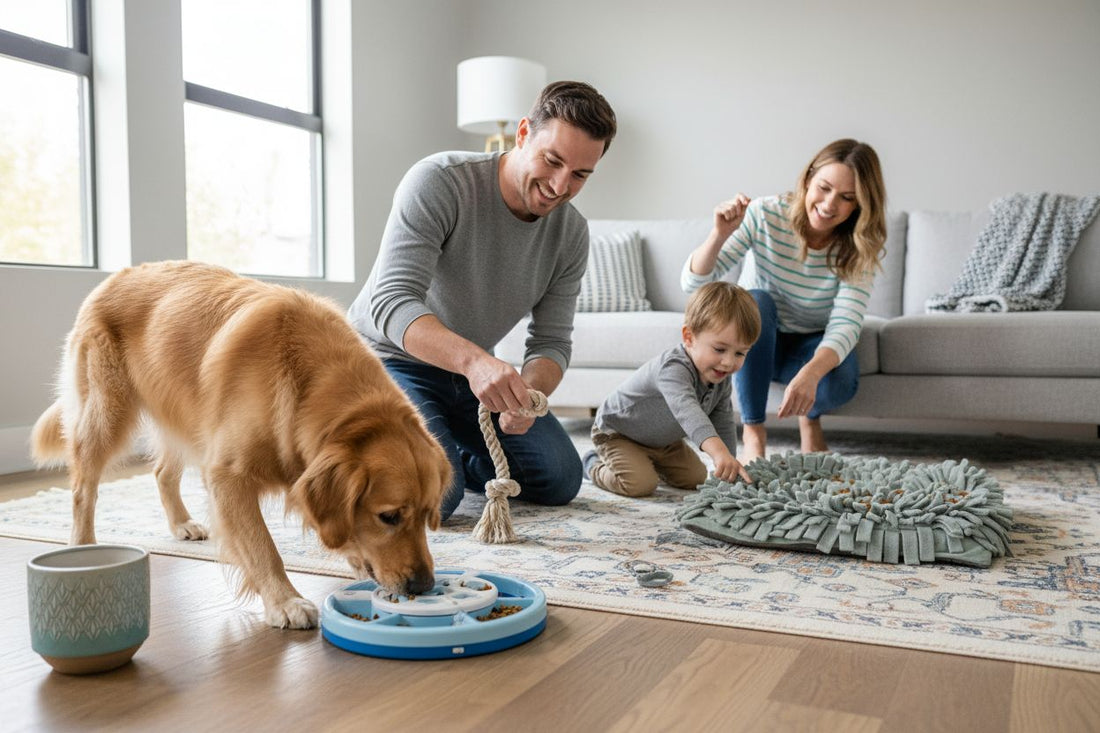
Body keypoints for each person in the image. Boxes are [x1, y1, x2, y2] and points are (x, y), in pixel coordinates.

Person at [348, 81, 617, 521]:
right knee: (440, 498)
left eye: (580, 175)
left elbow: (552, 342)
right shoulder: (439, 181)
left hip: (468, 377)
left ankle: (437, 446)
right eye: (552, 161)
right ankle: (402, 447)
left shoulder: (571, 233)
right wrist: (475, 363)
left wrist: (530, 394)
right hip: (388, 361)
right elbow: (392, 301)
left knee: (560, 479)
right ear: (524, 132)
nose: (559, 185)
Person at [682, 139, 887, 460]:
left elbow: (847, 322)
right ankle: (753, 432)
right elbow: (694, 283)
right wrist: (719, 234)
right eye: (824, 188)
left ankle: (810, 417)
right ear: (807, 180)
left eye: (847, 198)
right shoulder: (766, 214)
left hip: (810, 344)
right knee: (756, 300)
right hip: (758, 340)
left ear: (859, 206)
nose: (830, 204)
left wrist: (811, 374)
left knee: (841, 383)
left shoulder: (861, 245)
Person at [582, 282, 762, 497]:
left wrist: (728, 460)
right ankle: (591, 463)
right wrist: (718, 452)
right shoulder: (673, 368)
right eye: (720, 349)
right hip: (619, 433)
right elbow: (689, 413)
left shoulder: (720, 377)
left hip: (663, 441)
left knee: (695, 479)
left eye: (740, 353)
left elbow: (722, 419)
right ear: (689, 337)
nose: (728, 362)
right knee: (640, 484)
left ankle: (648, 461)